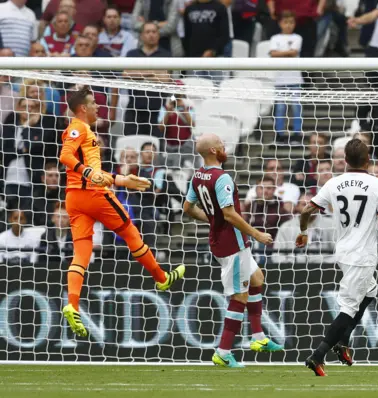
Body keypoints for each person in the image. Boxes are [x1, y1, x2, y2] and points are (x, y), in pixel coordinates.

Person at [58, 87, 185, 338]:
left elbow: (93, 172)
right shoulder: (78, 128)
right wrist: (91, 174)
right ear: (82, 108)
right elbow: (65, 155)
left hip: (74, 199)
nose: (98, 107)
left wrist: (121, 180)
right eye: (93, 103)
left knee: (81, 253)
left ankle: (72, 304)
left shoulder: (88, 132)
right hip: (94, 196)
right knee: (130, 231)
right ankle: (161, 277)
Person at [296, 138, 378, 376]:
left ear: (345, 160)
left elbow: (307, 210)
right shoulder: (377, 184)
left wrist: (303, 231)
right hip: (362, 254)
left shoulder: (333, 183)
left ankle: (343, 343)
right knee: (349, 307)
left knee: (370, 291)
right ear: (368, 159)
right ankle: (318, 355)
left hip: (343, 250)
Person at [183, 134, 283, 368]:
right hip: (233, 245)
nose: (224, 145)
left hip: (220, 240)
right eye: (221, 143)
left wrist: (212, 220)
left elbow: (188, 207)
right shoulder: (222, 178)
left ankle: (258, 338)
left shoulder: (197, 176)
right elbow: (229, 214)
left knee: (257, 278)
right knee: (240, 296)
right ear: (214, 151)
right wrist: (256, 234)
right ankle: (223, 352)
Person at [269, 11, 303, 143]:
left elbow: (294, 52)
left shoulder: (298, 37)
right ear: (280, 23)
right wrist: (286, 53)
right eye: (285, 22)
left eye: (291, 22)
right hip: (279, 79)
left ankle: (296, 134)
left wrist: (280, 53)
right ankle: (280, 134)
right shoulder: (274, 38)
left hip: (295, 78)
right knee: (280, 107)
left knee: (296, 106)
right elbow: (273, 53)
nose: (288, 25)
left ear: (294, 24)